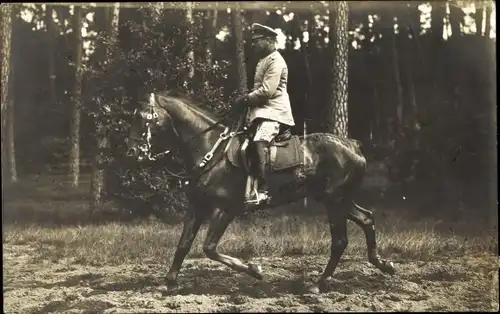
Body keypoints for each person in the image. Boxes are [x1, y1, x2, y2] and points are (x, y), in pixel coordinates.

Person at [233, 23, 295, 205]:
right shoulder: (263, 60)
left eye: (256, 41)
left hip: (275, 113)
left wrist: (245, 100)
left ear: (269, 41)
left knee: (260, 141)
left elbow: (267, 91)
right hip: (261, 112)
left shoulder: (276, 61)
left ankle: (263, 190)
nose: (253, 45)